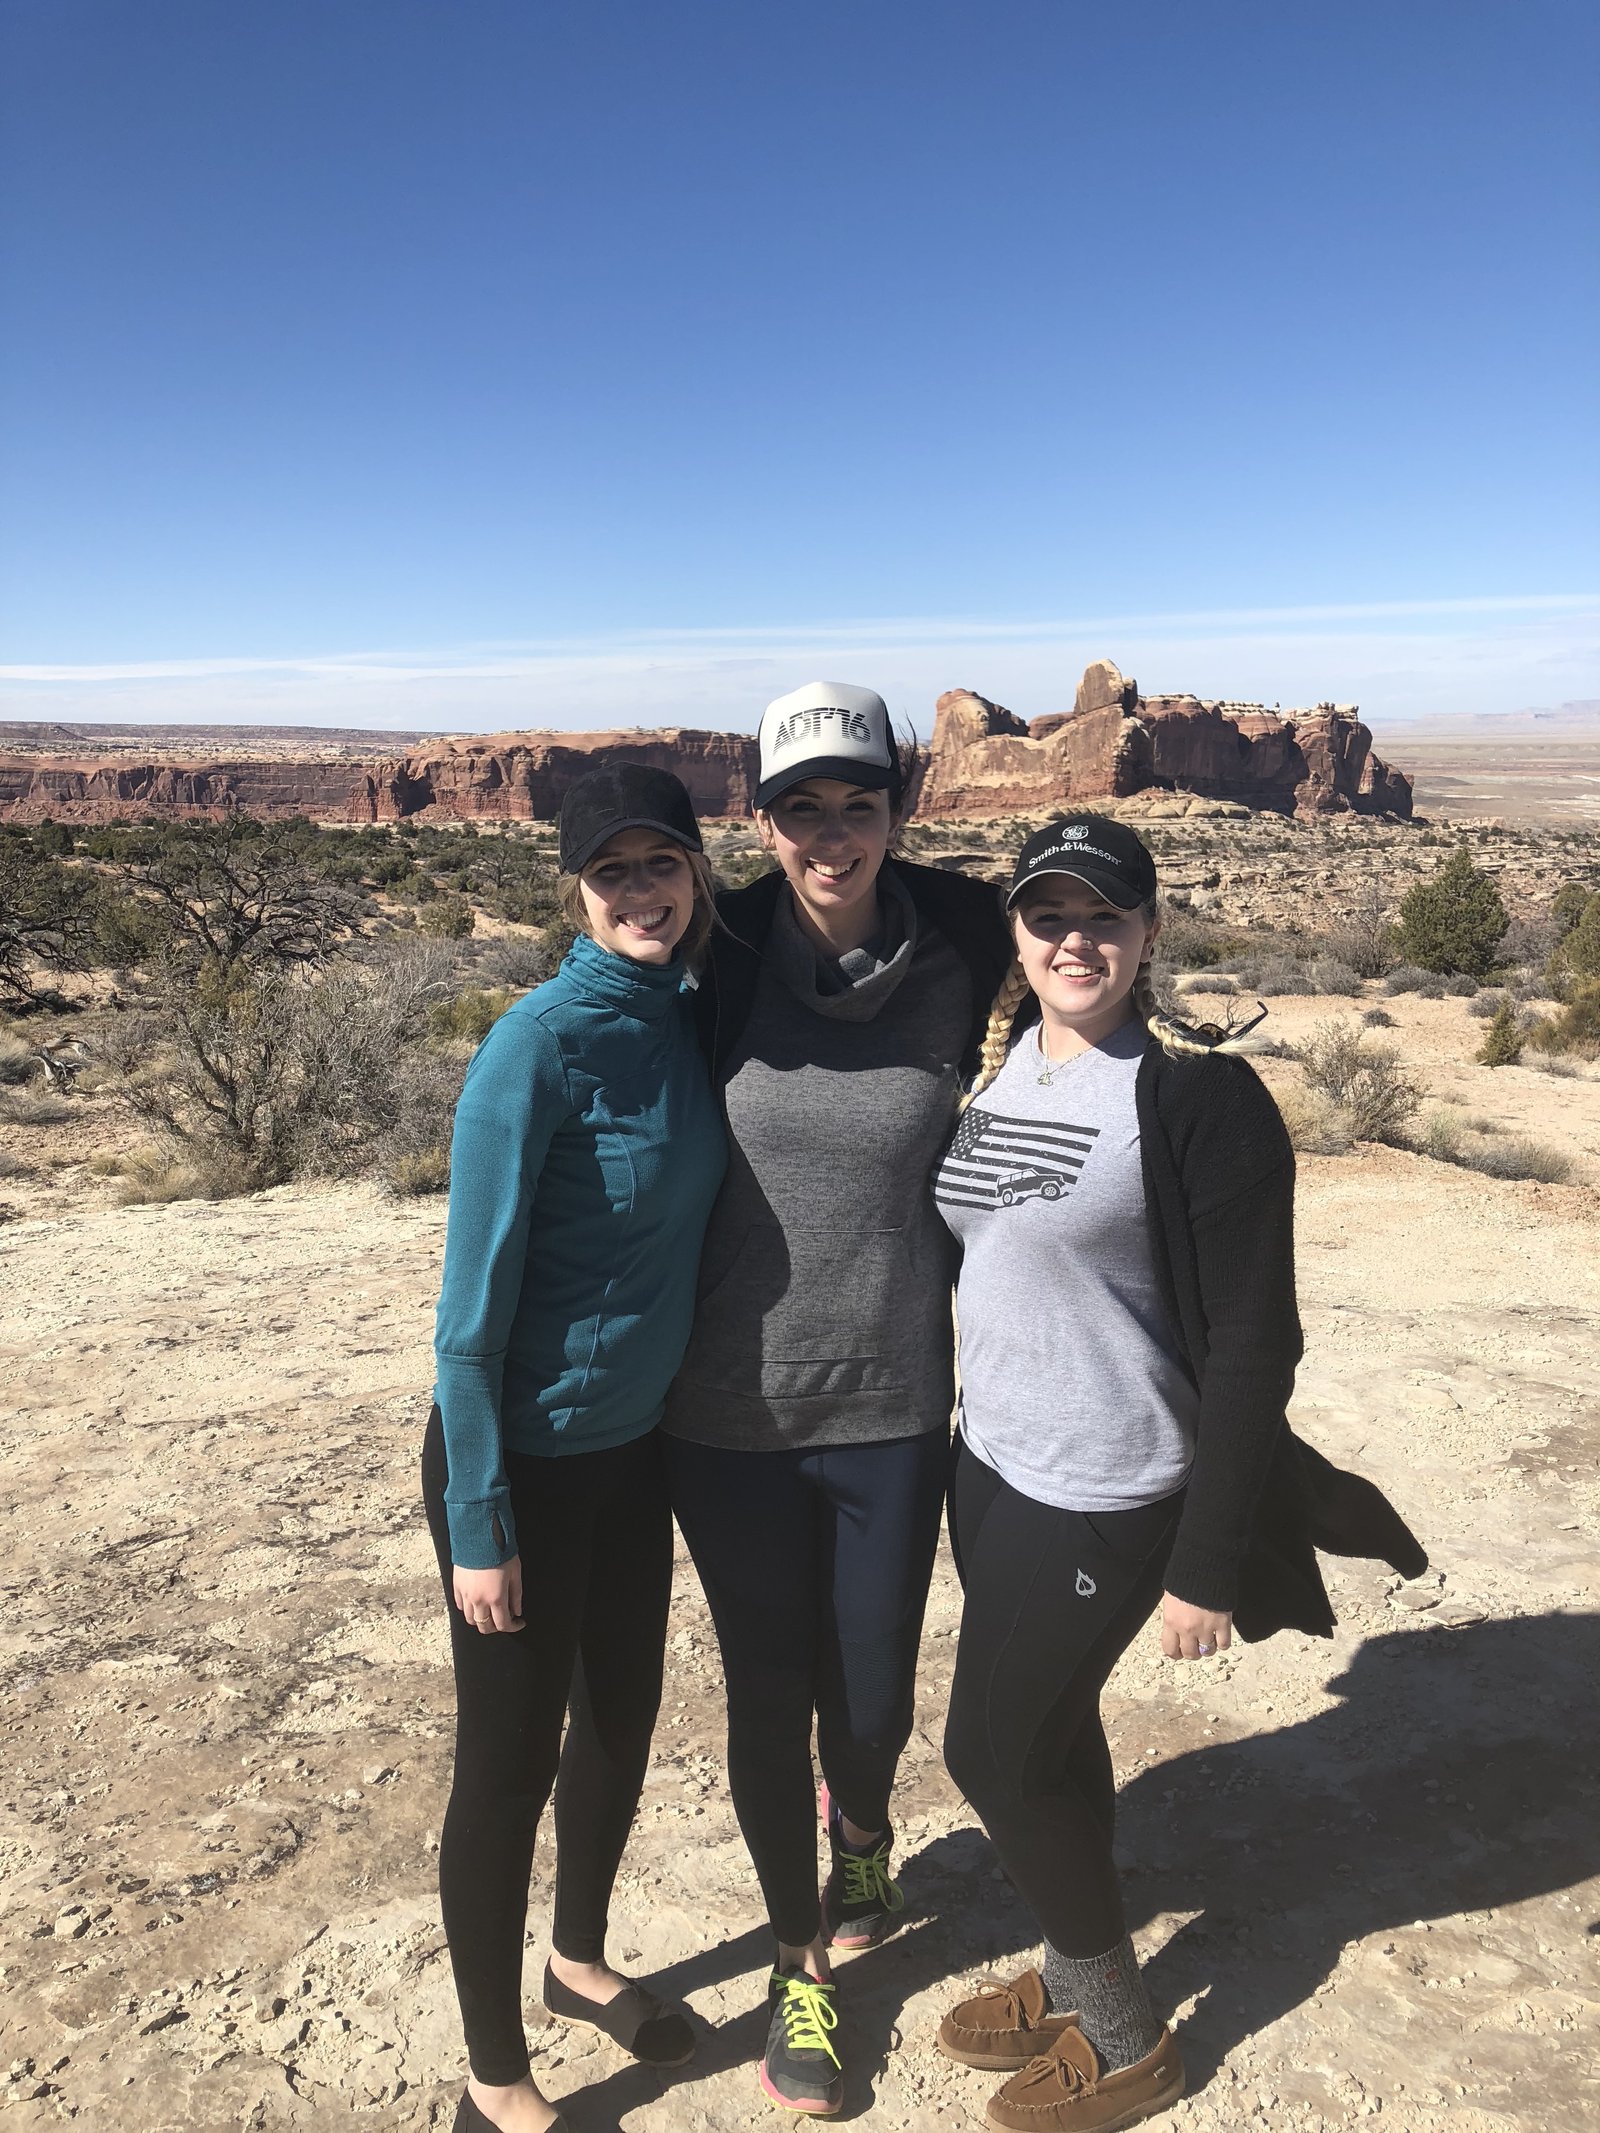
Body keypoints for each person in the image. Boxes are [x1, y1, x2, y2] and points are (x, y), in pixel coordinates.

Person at [930, 814, 1427, 2133]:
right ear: (1019, 934)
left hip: (1117, 1485)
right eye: (1048, 915)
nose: (1074, 939)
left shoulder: (1197, 1098)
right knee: (1053, 1735)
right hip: (992, 1468)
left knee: (987, 1747)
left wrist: (1205, 1561)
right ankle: (1065, 1962)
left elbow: (1262, 1342)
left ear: (1149, 933)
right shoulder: (1008, 1067)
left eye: (1105, 916)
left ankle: (1124, 2028)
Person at [660, 682, 1012, 2116]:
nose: (830, 833)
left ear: (899, 808)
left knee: (869, 1692)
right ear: (762, 817)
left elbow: (1082, 998)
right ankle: (801, 1968)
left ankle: (860, 1823)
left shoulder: (968, 933)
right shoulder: (719, 943)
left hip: (889, 1397)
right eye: (799, 806)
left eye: (856, 803)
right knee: (767, 1690)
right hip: (726, 1409)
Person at [421, 766, 728, 2133]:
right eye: (614, 871)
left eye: (664, 862)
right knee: (508, 1761)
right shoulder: (530, 1046)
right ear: (576, 888)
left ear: (696, 873)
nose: (643, 890)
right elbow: (466, 1326)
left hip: (635, 1449)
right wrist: (481, 1519)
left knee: (620, 1720)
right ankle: (497, 2078)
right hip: (519, 1464)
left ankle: (578, 1958)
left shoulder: (692, 1016)